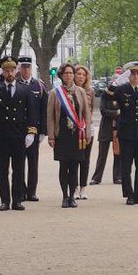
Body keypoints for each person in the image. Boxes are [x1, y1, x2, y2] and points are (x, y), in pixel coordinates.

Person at [0, 57, 39, 211]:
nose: (9, 73)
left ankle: (17, 200)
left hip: (19, 135)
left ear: (16, 71)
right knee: (3, 170)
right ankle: (5, 200)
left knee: (19, 169)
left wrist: (31, 132)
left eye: (11, 70)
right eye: (6, 71)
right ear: (2, 72)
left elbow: (32, 113)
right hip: (2, 135)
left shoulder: (25, 89)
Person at [110, 61, 138, 205]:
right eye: (132, 73)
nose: (135, 76)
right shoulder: (122, 90)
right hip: (126, 134)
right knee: (126, 166)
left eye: (137, 73)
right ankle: (129, 194)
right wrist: (118, 80)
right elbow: (107, 94)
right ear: (128, 76)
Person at [47, 63, 91, 208]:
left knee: (75, 166)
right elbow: (51, 116)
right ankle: (65, 196)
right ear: (61, 75)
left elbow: (86, 114)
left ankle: (72, 196)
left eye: (71, 73)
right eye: (66, 73)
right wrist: (51, 135)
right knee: (63, 166)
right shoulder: (55, 93)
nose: (69, 76)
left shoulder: (80, 92)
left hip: (77, 134)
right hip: (62, 135)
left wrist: (88, 132)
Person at [17, 55, 47, 201]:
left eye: (28, 67)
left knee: (33, 163)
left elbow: (43, 110)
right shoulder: (15, 84)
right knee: (19, 162)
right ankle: (21, 190)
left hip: (34, 130)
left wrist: (43, 131)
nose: (26, 70)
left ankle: (32, 191)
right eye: (23, 67)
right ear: (19, 68)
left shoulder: (39, 86)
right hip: (18, 131)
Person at [90, 63, 123, 186]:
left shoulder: (121, 95)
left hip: (118, 128)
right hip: (106, 128)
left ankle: (118, 177)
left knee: (118, 153)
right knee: (102, 155)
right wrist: (117, 112)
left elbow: (124, 111)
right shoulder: (105, 96)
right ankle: (96, 177)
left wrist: (117, 113)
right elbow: (103, 111)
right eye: (114, 82)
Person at [73, 64, 94, 200]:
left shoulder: (90, 91)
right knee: (74, 159)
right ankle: (74, 187)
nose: (81, 76)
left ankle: (83, 188)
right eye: (78, 74)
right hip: (74, 128)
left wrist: (88, 125)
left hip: (86, 128)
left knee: (85, 160)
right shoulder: (69, 90)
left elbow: (90, 110)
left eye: (83, 74)